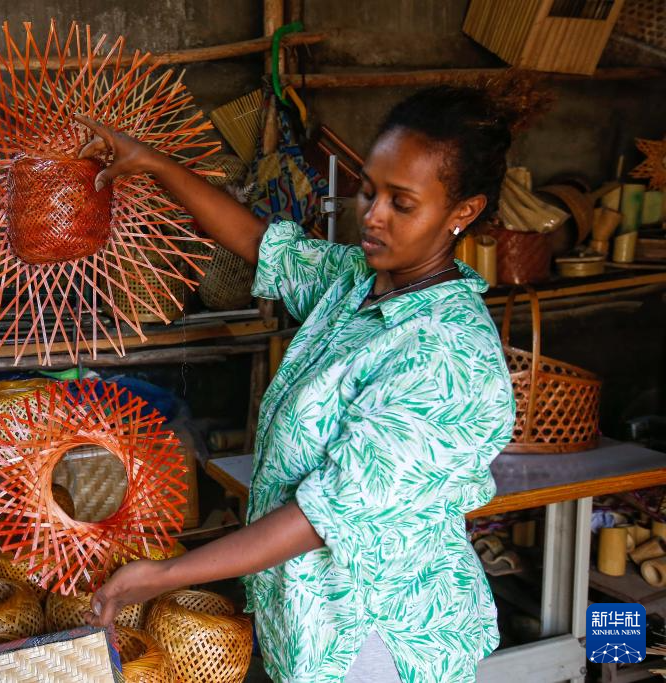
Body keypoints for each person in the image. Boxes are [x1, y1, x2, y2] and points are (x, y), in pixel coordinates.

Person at [75, 85, 517, 683]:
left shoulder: (448, 355)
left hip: (376, 639)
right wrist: (152, 163)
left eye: (401, 203)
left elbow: (321, 516)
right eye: (369, 190)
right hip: (308, 620)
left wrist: (162, 576)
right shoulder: (359, 284)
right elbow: (261, 246)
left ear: (462, 212)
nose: (374, 214)